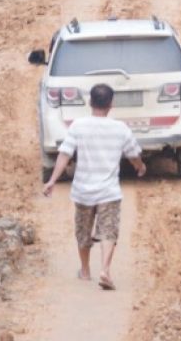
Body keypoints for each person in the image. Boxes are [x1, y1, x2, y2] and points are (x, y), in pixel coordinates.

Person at [43, 84, 146, 290]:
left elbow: (65, 154)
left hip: (83, 190)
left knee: (83, 231)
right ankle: (105, 270)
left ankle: (85, 270)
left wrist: (53, 180)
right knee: (109, 231)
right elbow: (133, 154)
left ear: (90, 103)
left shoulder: (78, 126)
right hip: (109, 192)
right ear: (111, 104)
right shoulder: (120, 128)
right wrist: (140, 166)